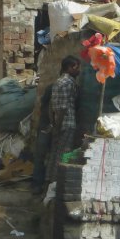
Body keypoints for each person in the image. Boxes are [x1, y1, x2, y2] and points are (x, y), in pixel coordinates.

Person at [31, 56, 81, 195]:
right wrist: (56, 126)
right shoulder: (68, 83)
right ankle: (51, 188)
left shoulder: (57, 83)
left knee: (53, 156)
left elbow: (52, 107)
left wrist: (54, 124)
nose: (79, 71)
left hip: (54, 124)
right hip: (61, 124)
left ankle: (46, 187)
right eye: (77, 67)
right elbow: (61, 108)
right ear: (70, 67)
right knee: (60, 156)